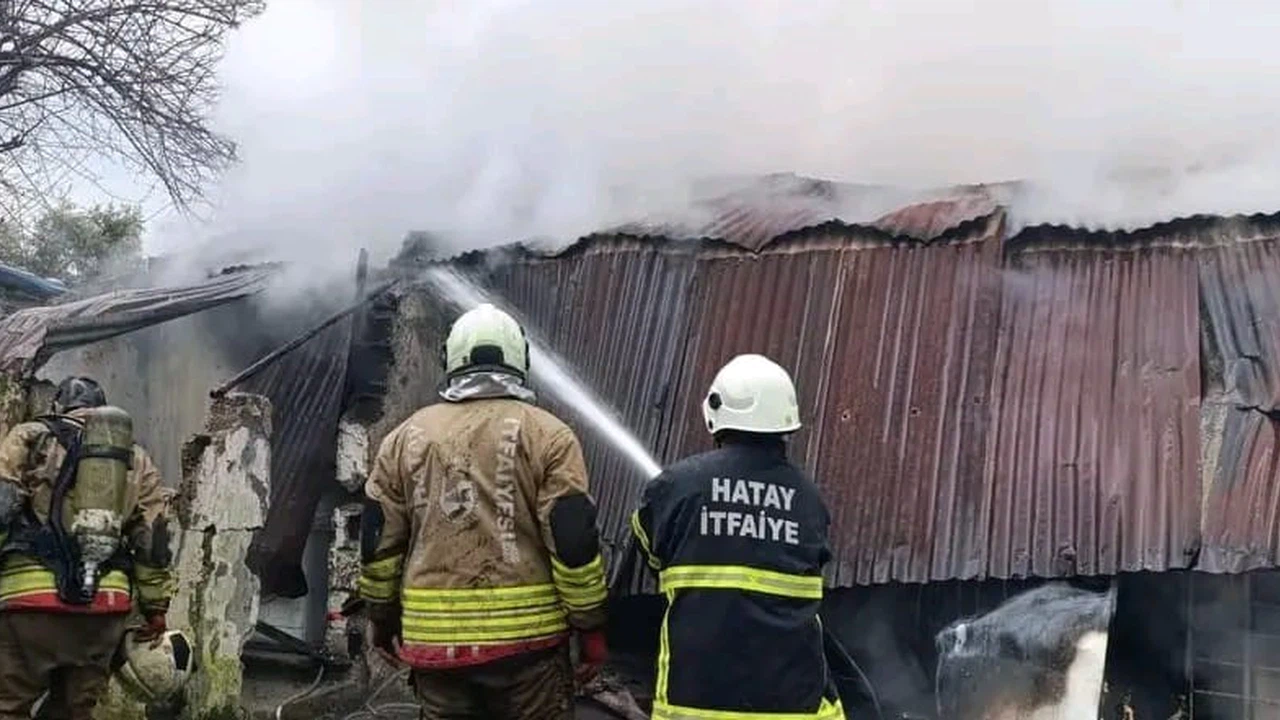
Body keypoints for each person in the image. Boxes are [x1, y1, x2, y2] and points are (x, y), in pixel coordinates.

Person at [358, 303, 609, 720]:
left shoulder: (404, 438)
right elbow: (573, 544)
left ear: (449, 360)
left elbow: (379, 544)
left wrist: (381, 619)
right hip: (528, 649)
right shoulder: (550, 435)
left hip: (436, 647)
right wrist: (591, 626)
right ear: (521, 359)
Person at [630, 353, 845, 720]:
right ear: (785, 423)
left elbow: (649, 552)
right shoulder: (809, 500)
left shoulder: (676, 486)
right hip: (792, 706)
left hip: (693, 705)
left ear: (717, 412)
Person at [0, 376, 176, 720]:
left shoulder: (27, 436)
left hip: (27, 607)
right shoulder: (135, 457)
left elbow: (1, 509)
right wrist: (156, 607)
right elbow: (154, 542)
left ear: (59, 407)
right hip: (104, 612)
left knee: (8, 706)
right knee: (73, 711)